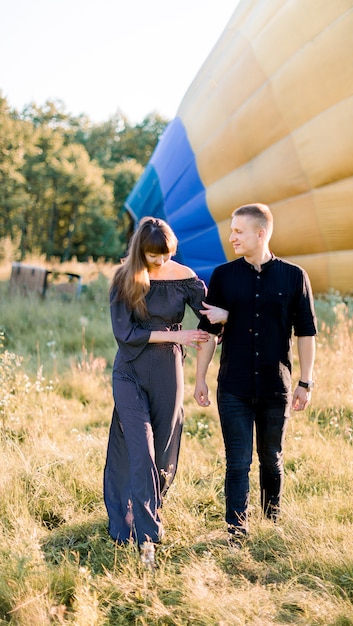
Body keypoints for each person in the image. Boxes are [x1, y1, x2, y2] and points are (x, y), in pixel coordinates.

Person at [194, 203, 317, 545]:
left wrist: (306, 381)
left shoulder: (294, 276)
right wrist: (200, 378)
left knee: (271, 459)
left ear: (260, 233)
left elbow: (306, 333)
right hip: (232, 385)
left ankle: (271, 520)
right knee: (237, 462)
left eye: (238, 231)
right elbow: (207, 334)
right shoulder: (222, 276)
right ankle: (236, 532)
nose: (231, 237)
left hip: (275, 386)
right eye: (231, 230)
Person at [104, 216, 210, 566]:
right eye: (154, 256)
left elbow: (209, 319)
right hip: (130, 371)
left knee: (163, 451)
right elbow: (126, 334)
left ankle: (146, 505)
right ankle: (146, 538)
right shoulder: (124, 278)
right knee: (140, 447)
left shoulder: (185, 278)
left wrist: (225, 317)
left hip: (168, 372)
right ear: (140, 251)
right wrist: (176, 335)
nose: (161, 262)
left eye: (166, 254)